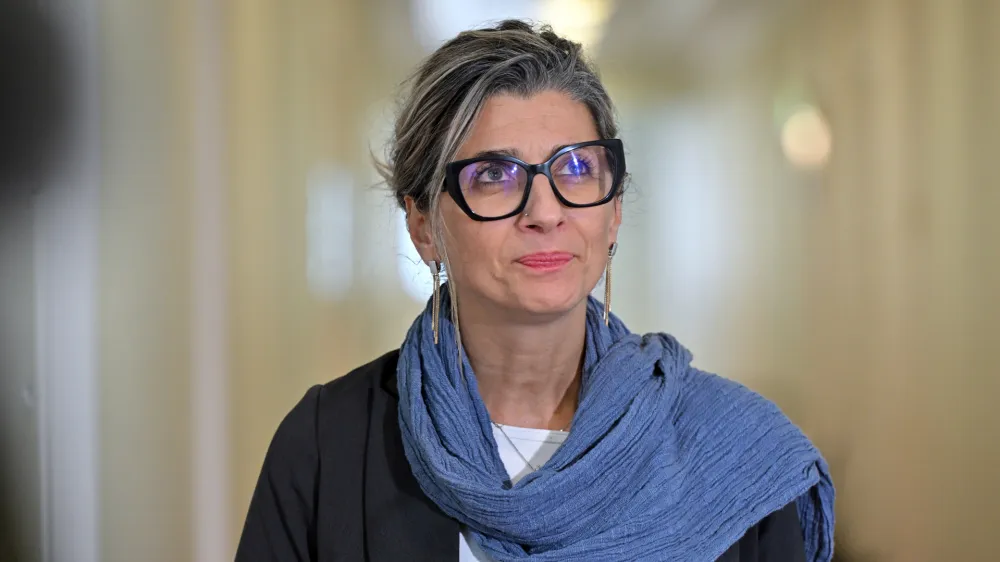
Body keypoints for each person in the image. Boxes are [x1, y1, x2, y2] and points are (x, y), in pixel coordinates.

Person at [236, 19, 835, 562]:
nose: (545, 212)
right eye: (494, 175)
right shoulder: (330, 446)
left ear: (615, 212)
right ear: (423, 226)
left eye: (576, 168)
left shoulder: (734, 455)